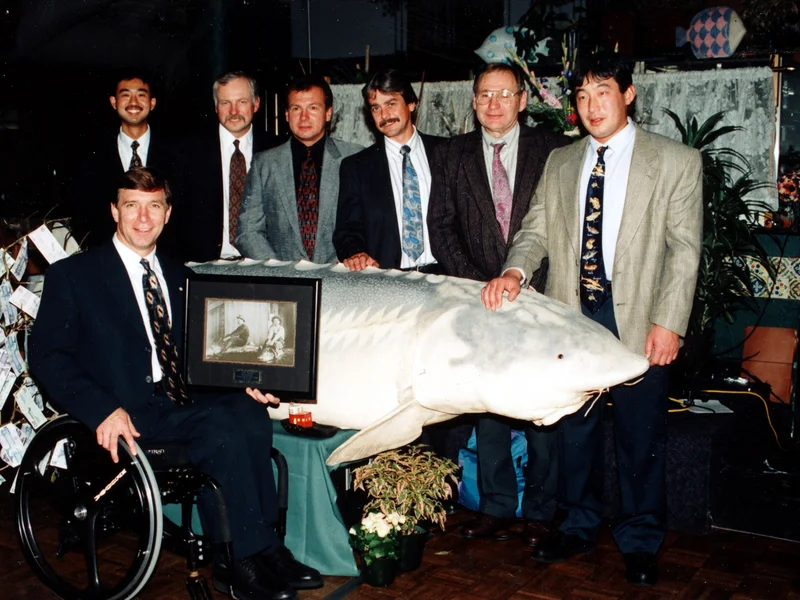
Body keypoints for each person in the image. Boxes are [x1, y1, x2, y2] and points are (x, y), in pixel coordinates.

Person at [30, 167, 322, 600]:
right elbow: (47, 358)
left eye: (154, 206)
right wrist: (100, 410)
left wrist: (246, 380)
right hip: (126, 412)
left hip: (180, 400)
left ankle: (266, 550)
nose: (143, 218)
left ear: (167, 214)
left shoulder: (181, 274)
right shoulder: (75, 276)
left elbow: (206, 355)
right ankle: (235, 561)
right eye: (132, 206)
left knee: (249, 412)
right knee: (220, 431)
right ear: (115, 211)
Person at [481, 54, 703, 586]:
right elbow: (533, 231)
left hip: (640, 318)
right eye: (580, 97)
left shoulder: (675, 161)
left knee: (638, 434)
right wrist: (514, 271)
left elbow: (683, 250)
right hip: (573, 316)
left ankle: (641, 537)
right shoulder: (561, 163)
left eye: (602, 92)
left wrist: (669, 322)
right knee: (573, 435)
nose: (590, 106)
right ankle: (578, 525)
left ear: (628, 95)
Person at [427, 62, 569, 546]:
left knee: (542, 403)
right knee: (486, 403)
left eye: (504, 94)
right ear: (473, 100)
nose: (493, 104)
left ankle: (542, 510)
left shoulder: (553, 151)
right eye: (484, 94)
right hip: (478, 297)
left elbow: (559, 225)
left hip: (540, 295)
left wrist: (524, 281)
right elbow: (441, 225)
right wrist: (479, 283)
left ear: (523, 100)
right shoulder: (453, 153)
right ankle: (495, 506)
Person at [235, 75, 362, 262]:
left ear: (328, 113)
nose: (304, 117)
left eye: (313, 108)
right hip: (284, 284)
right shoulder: (265, 164)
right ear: (286, 115)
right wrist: (279, 272)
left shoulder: (355, 157)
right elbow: (248, 231)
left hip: (343, 278)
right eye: (296, 108)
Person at [333, 69, 446, 272]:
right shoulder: (356, 167)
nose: (384, 115)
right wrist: (356, 253)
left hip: (447, 278)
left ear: (411, 104)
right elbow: (347, 231)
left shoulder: (448, 153)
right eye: (376, 108)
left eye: (391, 104)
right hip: (388, 280)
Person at [70, 72, 180, 250]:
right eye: (126, 95)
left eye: (141, 95)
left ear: (152, 103)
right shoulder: (92, 155)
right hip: (108, 259)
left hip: (165, 256)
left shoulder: (177, 153)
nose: (134, 102)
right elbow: (81, 212)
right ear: (114, 102)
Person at [179, 71, 274, 262]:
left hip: (263, 265)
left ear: (256, 104)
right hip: (205, 266)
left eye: (242, 102)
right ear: (215, 107)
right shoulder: (188, 152)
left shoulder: (276, 149)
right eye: (225, 103)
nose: (233, 111)